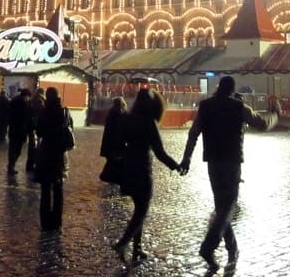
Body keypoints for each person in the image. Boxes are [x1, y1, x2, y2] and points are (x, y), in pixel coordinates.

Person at [179, 75, 273, 271]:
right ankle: (208, 246)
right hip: (231, 160)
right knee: (229, 206)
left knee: (221, 206)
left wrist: (187, 157)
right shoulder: (239, 107)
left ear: (218, 87)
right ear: (232, 89)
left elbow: (194, 132)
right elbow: (262, 124)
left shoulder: (206, 106)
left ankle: (232, 247)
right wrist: (275, 114)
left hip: (213, 161)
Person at [111, 89, 180, 263]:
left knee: (138, 207)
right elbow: (160, 152)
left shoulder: (126, 119)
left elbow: (117, 145)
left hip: (127, 168)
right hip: (142, 168)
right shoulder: (149, 122)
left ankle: (137, 248)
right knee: (141, 211)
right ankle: (124, 243)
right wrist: (175, 166)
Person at [33, 86, 74, 230]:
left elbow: (39, 132)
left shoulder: (45, 111)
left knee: (45, 190)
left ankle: (45, 222)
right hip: (59, 153)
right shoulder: (64, 111)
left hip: (46, 153)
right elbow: (70, 129)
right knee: (58, 189)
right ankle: (57, 222)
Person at [100, 96, 128, 180]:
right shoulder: (124, 113)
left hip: (110, 141)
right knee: (116, 161)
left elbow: (109, 128)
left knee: (111, 160)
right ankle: (112, 177)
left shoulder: (112, 112)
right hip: (119, 142)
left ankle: (110, 176)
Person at [7, 88, 33, 175]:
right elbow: (28, 118)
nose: (29, 98)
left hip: (14, 130)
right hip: (20, 130)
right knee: (16, 150)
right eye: (28, 96)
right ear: (26, 96)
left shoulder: (14, 101)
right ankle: (11, 166)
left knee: (13, 149)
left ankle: (11, 165)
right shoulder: (25, 104)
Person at [26, 87, 46, 172]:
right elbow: (41, 112)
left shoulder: (32, 100)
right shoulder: (40, 100)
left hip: (32, 126)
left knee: (32, 146)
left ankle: (30, 164)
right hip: (37, 126)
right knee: (37, 146)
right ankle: (34, 164)